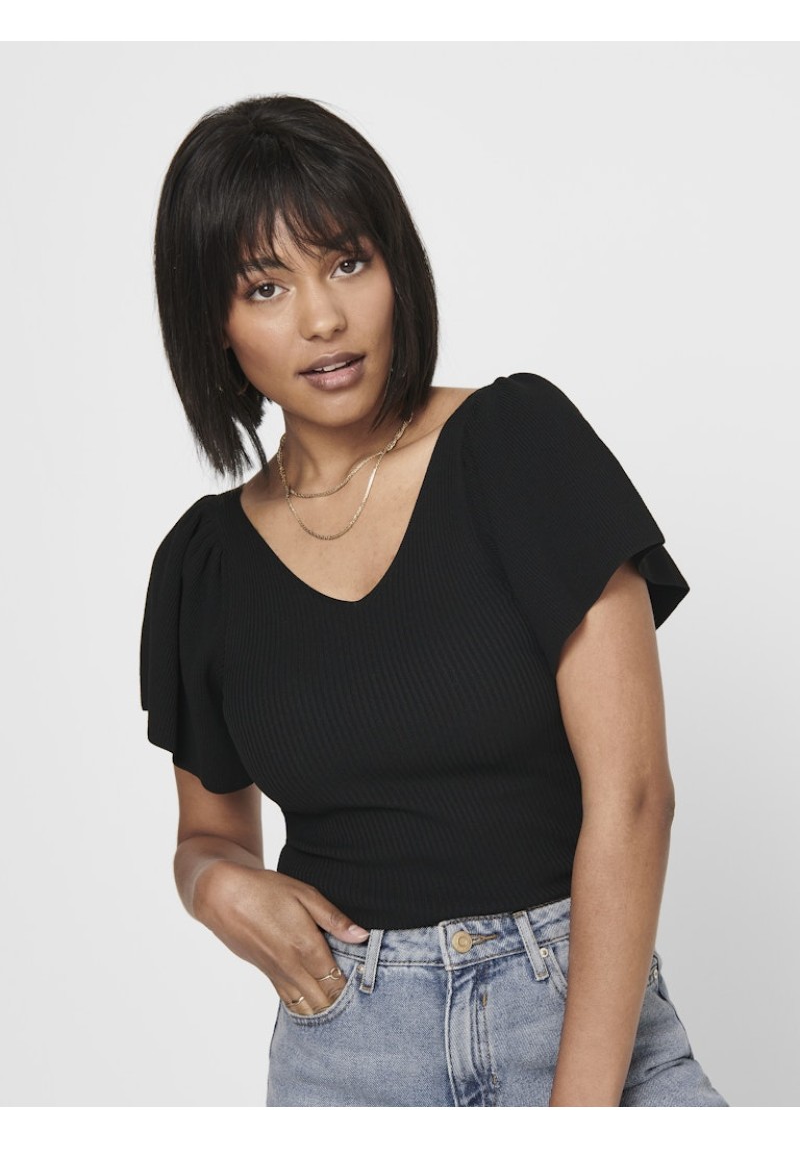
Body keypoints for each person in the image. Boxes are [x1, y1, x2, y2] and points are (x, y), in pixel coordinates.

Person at [140, 94, 727, 1107]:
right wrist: (211, 884)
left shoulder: (517, 445)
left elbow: (634, 796)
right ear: (214, 326)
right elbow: (210, 835)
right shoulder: (204, 564)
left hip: (580, 1019)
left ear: (395, 269)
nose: (322, 318)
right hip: (347, 1049)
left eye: (347, 262)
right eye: (266, 286)